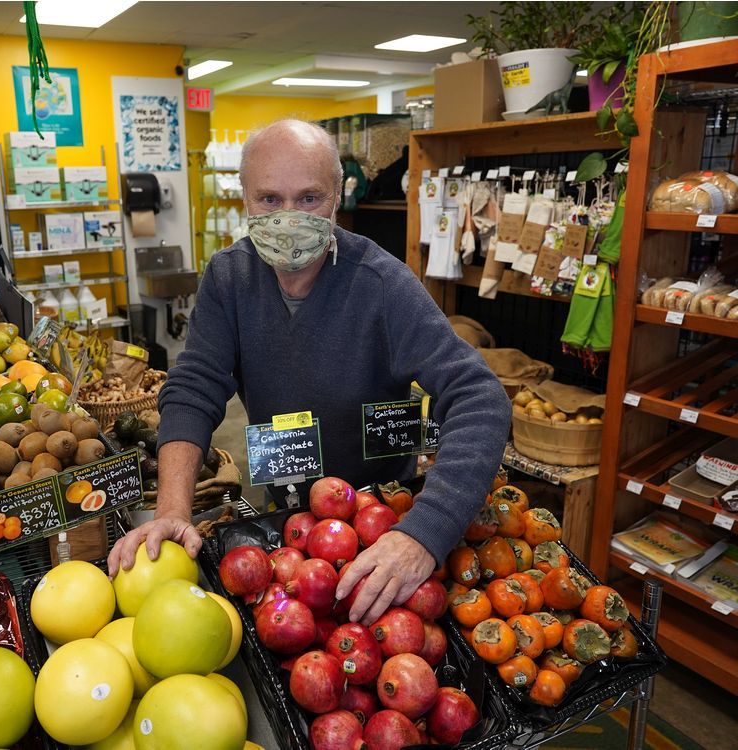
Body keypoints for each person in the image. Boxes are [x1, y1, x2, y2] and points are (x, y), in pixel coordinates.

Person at [108, 119, 510, 625]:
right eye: (270, 200)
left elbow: (479, 396)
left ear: (338, 198)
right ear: (245, 198)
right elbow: (193, 387)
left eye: (309, 198)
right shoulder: (230, 277)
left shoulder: (381, 283)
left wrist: (425, 531)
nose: (289, 217)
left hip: (379, 521)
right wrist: (171, 509)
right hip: (289, 515)